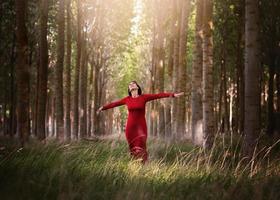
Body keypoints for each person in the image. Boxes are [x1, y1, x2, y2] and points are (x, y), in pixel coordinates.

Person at [97, 80, 184, 164]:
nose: (131, 84)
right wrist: (103, 107)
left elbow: (158, 95)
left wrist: (173, 95)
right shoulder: (127, 99)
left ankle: (144, 165)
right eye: (130, 84)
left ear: (137, 87)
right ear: (129, 89)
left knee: (141, 146)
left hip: (141, 127)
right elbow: (114, 104)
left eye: (133, 84)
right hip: (130, 128)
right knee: (132, 148)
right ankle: (135, 165)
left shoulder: (144, 97)